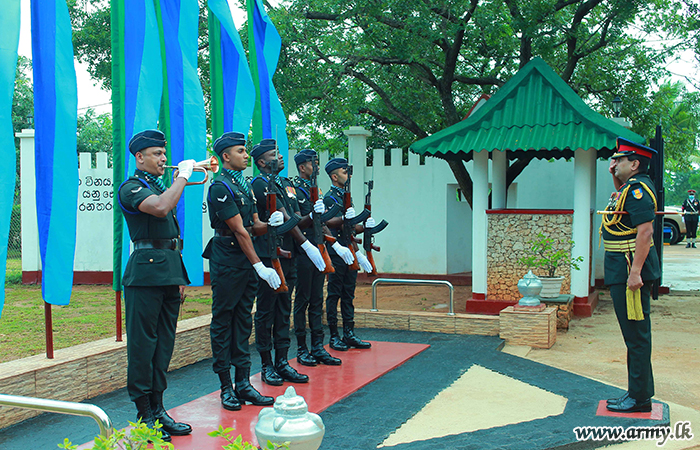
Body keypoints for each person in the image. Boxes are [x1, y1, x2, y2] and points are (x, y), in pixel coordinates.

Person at [117, 129, 195, 440]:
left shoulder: (158, 186)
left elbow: (171, 239)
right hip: (145, 275)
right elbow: (161, 209)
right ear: (139, 157)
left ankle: (159, 409)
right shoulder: (132, 187)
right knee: (142, 346)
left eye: (164, 153)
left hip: (167, 273)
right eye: (156, 154)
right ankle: (144, 414)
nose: (164, 159)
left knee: (163, 346)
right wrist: (183, 178)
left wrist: (179, 276)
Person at [202, 132, 282, 411]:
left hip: (246, 258)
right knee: (224, 320)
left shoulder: (244, 185)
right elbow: (238, 230)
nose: (246, 155)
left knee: (242, 320)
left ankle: (244, 383)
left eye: (245, 151)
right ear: (225, 157)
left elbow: (254, 225)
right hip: (227, 257)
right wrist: (259, 264)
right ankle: (226, 387)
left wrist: (272, 223)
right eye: (240, 151)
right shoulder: (220, 186)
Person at [250, 139, 327, 385]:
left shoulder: (286, 184)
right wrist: (306, 244)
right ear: (262, 162)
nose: (281, 157)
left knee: (283, 310)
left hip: (289, 255)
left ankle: (283, 361)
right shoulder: (260, 183)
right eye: (275, 155)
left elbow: (294, 219)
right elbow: (283, 217)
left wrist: (313, 214)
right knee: (266, 312)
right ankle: (266, 365)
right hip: (271, 254)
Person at [601, 137, 660, 413]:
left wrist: (635, 273)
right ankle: (637, 393)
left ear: (635, 164)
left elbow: (645, 232)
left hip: (628, 268)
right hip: (621, 266)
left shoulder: (638, 190)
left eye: (620, 160)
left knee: (636, 335)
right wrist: (615, 174)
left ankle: (639, 398)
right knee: (632, 335)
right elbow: (620, 200)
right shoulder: (629, 188)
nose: (615, 163)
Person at [291, 149, 355, 366]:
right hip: (303, 251)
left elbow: (324, 222)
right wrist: (311, 217)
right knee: (303, 300)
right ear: (302, 167)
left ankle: (318, 346)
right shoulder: (295, 190)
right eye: (313, 163)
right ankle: (302, 348)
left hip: (319, 249)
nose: (316, 166)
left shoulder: (314, 190)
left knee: (317, 298)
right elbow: (296, 222)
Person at [323, 157, 375, 351]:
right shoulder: (330, 198)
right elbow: (328, 223)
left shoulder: (346, 196)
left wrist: (364, 226)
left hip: (350, 251)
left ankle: (349, 333)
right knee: (334, 294)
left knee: (348, 294)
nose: (349, 175)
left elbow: (350, 228)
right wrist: (346, 220)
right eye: (345, 172)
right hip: (337, 251)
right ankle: (334, 336)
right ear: (334, 176)